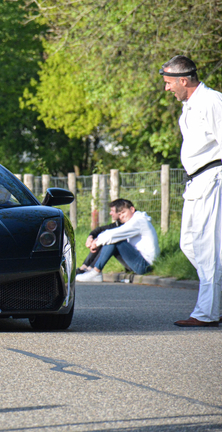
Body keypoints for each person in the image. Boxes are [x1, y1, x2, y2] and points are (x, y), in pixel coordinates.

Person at [160, 55, 222, 327]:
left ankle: (207, 313)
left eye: (169, 83)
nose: (167, 89)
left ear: (183, 80)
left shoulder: (211, 102)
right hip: (197, 182)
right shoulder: (190, 106)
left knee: (208, 250)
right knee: (188, 244)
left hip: (213, 178)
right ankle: (215, 299)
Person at [76, 199, 159, 283]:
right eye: (119, 214)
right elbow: (108, 232)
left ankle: (96, 272)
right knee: (112, 239)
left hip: (145, 266)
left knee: (114, 241)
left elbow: (112, 235)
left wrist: (96, 243)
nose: (121, 216)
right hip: (137, 263)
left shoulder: (138, 221)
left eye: (123, 212)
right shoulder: (133, 221)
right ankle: (92, 270)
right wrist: (94, 239)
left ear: (132, 209)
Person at [77, 204, 122, 274]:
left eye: (112, 211)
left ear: (120, 212)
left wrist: (96, 243)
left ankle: (92, 269)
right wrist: (90, 237)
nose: (110, 213)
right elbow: (99, 230)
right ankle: (85, 266)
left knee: (109, 241)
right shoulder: (118, 224)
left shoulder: (129, 225)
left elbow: (109, 236)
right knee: (101, 238)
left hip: (135, 262)